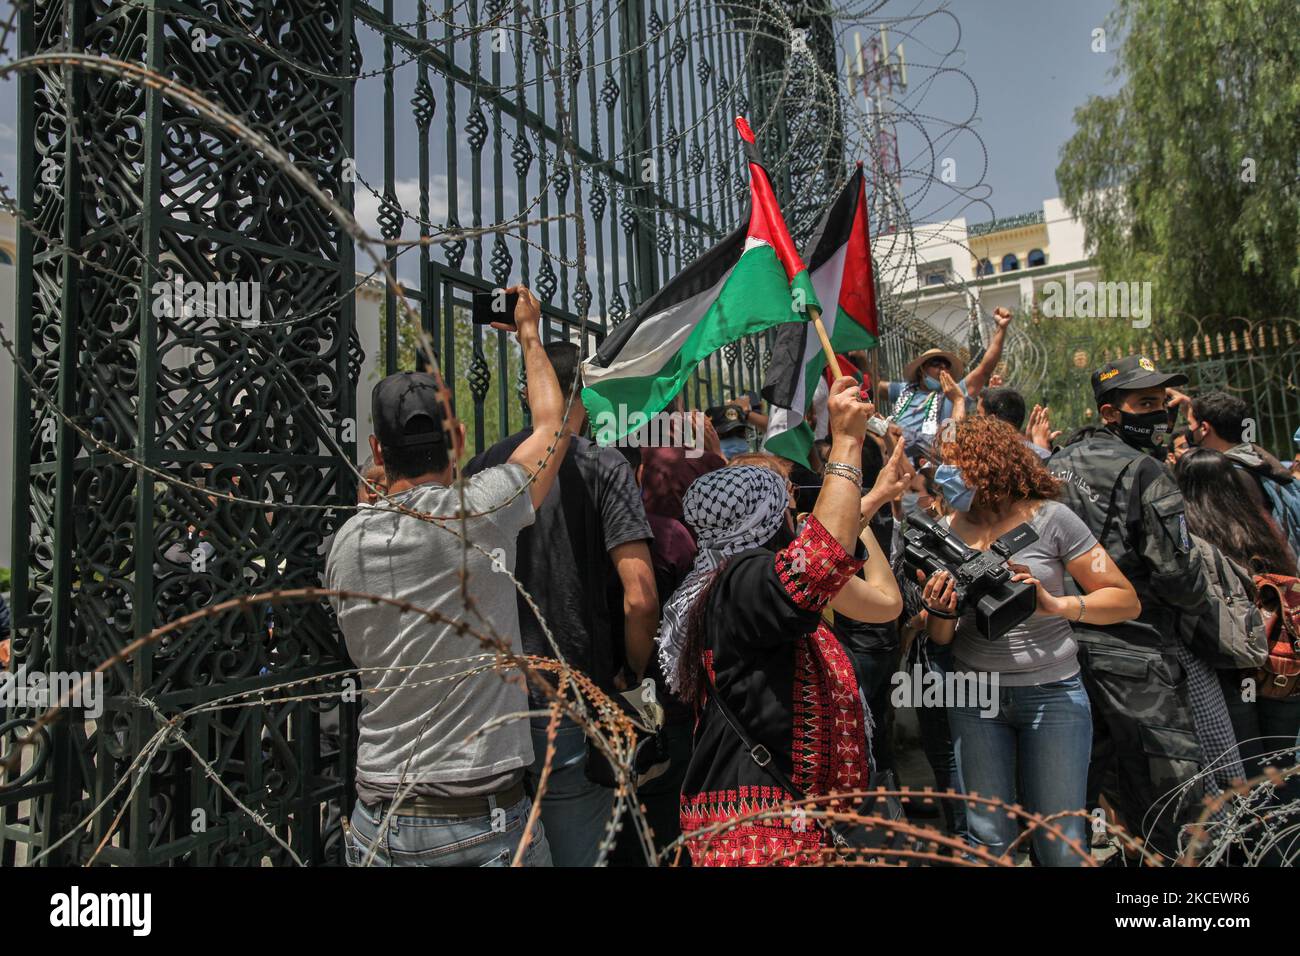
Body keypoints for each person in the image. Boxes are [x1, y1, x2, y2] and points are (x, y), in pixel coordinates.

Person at [325, 286, 569, 867]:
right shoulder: (482, 512)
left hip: (377, 816)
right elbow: (551, 424)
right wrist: (529, 335)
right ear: (457, 441)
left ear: (376, 450)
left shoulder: (346, 542)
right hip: (479, 820)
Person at [668, 378, 911, 865]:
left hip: (786, 825)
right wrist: (845, 443)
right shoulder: (742, 581)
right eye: (786, 503)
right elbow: (817, 563)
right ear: (764, 516)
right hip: (761, 834)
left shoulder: (734, 578)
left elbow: (821, 560)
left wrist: (873, 497)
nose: (795, 511)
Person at [464, 340, 657, 867]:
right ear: (585, 394)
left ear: (528, 391)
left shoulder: (487, 466)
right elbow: (640, 595)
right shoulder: (605, 466)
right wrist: (633, 674)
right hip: (573, 695)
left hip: (495, 700)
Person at [919, 416, 1141, 865]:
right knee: (988, 838)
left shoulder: (1052, 519)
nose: (944, 474)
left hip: (1053, 695)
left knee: (1058, 841)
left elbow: (1124, 601)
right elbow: (940, 637)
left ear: (988, 465)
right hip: (974, 698)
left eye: (954, 465)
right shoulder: (942, 529)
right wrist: (939, 612)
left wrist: (1055, 605)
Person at [1047, 354, 1212, 861]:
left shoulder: (1051, 463)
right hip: (1134, 653)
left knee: (1070, 793)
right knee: (1169, 796)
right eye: (1145, 403)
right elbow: (1181, 579)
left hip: (1059, 649)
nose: (1160, 414)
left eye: (1162, 403)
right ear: (1111, 412)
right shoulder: (1145, 471)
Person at [1175, 448, 1299, 803]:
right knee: (1283, 766)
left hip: (1233, 671)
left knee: (1246, 773)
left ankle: (1257, 846)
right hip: (1281, 668)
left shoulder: (1193, 539)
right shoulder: (1261, 528)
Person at [1179, 390, 1300, 569]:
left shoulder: (1225, 477)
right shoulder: (1261, 463)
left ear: (1204, 428)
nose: (1188, 431)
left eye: (1189, 424)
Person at [876, 306, 1013, 460]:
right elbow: (874, 387)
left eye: (946, 365)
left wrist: (1001, 329)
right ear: (922, 369)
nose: (942, 367)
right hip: (893, 461)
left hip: (928, 469)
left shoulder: (953, 395)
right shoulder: (904, 390)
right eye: (936, 363)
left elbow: (984, 370)